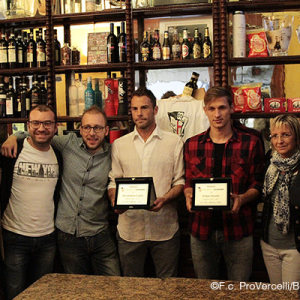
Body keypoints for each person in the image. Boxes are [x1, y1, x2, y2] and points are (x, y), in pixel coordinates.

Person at [1, 105, 120, 276]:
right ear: (80, 129)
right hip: (67, 235)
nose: (92, 133)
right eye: (87, 127)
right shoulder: (67, 144)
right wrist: (14, 136)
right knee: (74, 290)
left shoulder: (114, 153)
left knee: (115, 286)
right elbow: (40, 134)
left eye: (98, 128)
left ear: (106, 130)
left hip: (100, 233)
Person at [184, 86, 265, 281]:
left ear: (231, 108)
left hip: (239, 230)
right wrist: (188, 195)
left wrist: (242, 198)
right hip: (201, 230)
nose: (217, 114)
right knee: (205, 290)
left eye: (222, 108)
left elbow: (258, 183)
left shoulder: (251, 141)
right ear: (205, 110)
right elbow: (188, 182)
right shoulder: (192, 144)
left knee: (238, 291)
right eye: (211, 109)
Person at [108, 87, 184, 278]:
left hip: (164, 229)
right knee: (131, 290)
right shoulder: (120, 144)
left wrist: (164, 199)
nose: (139, 113)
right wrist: (115, 201)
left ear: (155, 110)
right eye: (134, 109)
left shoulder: (174, 142)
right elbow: (113, 182)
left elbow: (180, 182)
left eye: (144, 108)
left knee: (167, 288)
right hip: (130, 230)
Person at [0, 105, 62, 299]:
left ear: (55, 127)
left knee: (42, 294)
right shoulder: (12, 152)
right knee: (15, 292)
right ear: (28, 125)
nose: (41, 128)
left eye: (47, 123)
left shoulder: (59, 155)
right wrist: (13, 137)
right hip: (15, 236)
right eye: (35, 123)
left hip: (47, 238)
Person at [261, 114, 300, 284]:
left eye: (286, 135)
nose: (280, 141)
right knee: (276, 294)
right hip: (269, 244)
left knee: (290, 295)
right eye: (275, 136)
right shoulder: (269, 163)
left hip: (295, 248)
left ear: (297, 137)